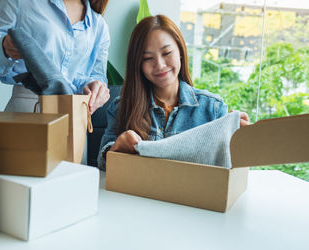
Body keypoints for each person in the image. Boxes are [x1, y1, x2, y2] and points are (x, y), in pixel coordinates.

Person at [97, 15, 250, 169]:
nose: (160, 65)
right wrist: (116, 148)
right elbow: (103, 165)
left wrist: (241, 139)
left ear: (180, 52)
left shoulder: (213, 109)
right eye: (148, 58)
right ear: (138, 64)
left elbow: (228, 166)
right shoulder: (121, 107)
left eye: (167, 53)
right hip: (140, 192)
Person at [0, 0, 110, 113]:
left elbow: (98, 77)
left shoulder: (99, 26)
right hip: (27, 112)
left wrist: (97, 90)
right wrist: (3, 48)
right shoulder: (20, 2)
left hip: (76, 116)